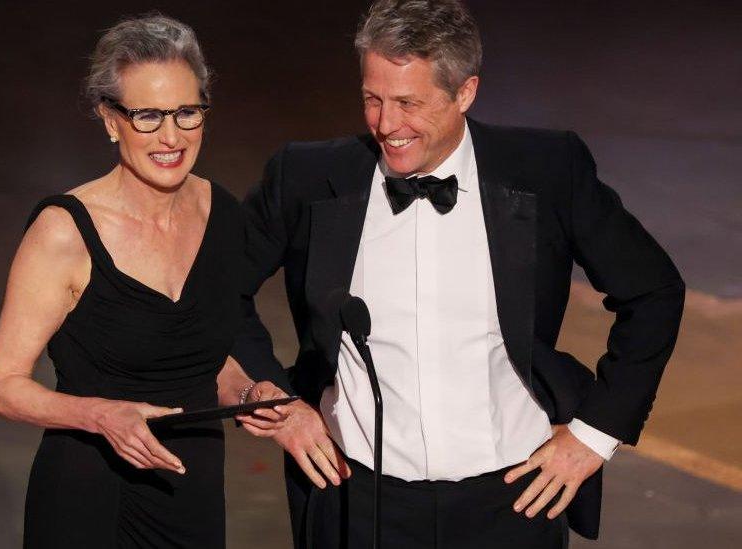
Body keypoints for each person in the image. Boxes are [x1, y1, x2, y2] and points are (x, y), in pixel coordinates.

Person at [234, 0, 685, 547]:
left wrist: (595, 435)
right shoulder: (307, 177)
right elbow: (216, 291)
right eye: (371, 99)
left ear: (465, 93)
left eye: (408, 103)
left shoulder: (546, 170)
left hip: (515, 499)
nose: (385, 124)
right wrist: (275, 401)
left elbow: (654, 291)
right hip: (355, 497)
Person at [0, 14, 274, 548]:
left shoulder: (224, 216)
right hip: (93, 495)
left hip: (192, 489)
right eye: (147, 116)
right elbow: (2, 387)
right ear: (110, 120)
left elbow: (198, 353)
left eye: (187, 112)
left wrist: (250, 390)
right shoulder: (64, 233)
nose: (171, 136)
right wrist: (101, 415)